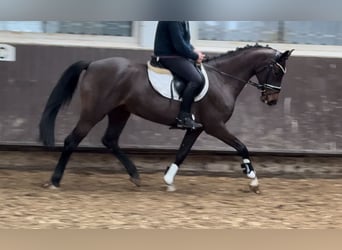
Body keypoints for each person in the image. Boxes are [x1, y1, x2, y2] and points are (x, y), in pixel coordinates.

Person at [153, 21, 206, 130]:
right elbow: (179, 45)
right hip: (168, 56)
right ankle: (183, 116)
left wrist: (194, 50)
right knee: (196, 79)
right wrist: (194, 56)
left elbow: (184, 41)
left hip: (177, 55)